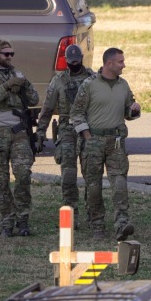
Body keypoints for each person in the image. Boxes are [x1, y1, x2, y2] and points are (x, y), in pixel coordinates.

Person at [70, 47, 140, 241]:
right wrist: (86, 136)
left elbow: (128, 112)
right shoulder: (89, 84)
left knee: (119, 184)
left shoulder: (123, 85)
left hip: (116, 142)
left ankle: (121, 225)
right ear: (109, 64)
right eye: (120, 62)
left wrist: (133, 110)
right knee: (94, 186)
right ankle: (97, 225)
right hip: (93, 141)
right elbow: (76, 113)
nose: (124, 65)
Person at [0, 39, 39, 237]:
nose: (10, 57)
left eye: (12, 53)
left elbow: (35, 99)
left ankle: (23, 221)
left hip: (18, 131)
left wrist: (24, 84)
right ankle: (7, 222)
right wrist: (6, 87)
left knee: (23, 175)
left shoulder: (18, 74)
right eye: (6, 54)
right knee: (1, 181)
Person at [36, 44, 94, 230]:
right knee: (68, 176)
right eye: (71, 62)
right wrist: (40, 132)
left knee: (92, 176)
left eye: (77, 62)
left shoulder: (92, 78)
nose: (74, 65)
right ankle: (71, 217)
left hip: (89, 130)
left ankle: (94, 217)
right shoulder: (58, 81)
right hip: (67, 130)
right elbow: (47, 109)